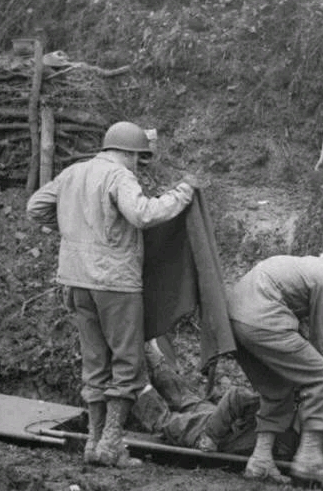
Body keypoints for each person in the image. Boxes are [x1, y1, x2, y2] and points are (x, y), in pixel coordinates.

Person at [26, 121, 197, 468]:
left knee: (95, 362)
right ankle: (112, 444)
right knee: (127, 363)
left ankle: (93, 443)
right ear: (131, 153)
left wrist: (74, 231)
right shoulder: (120, 176)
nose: (139, 163)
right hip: (115, 282)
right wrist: (181, 194)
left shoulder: (73, 173)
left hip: (76, 280)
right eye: (139, 157)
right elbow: (142, 214)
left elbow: (35, 208)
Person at [225, 244, 323, 484]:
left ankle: (260, 460)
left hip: (235, 322)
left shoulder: (302, 266)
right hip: (264, 321)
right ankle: (309, 456)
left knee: (277, 388)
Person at [133, 339, 267, 455]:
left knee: (183, 400)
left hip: (222, 422)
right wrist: (211, 436)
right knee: (164, 422)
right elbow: (238, 396)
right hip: (217, 431)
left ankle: (143, 351)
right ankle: (131, 374)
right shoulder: (284, 425)